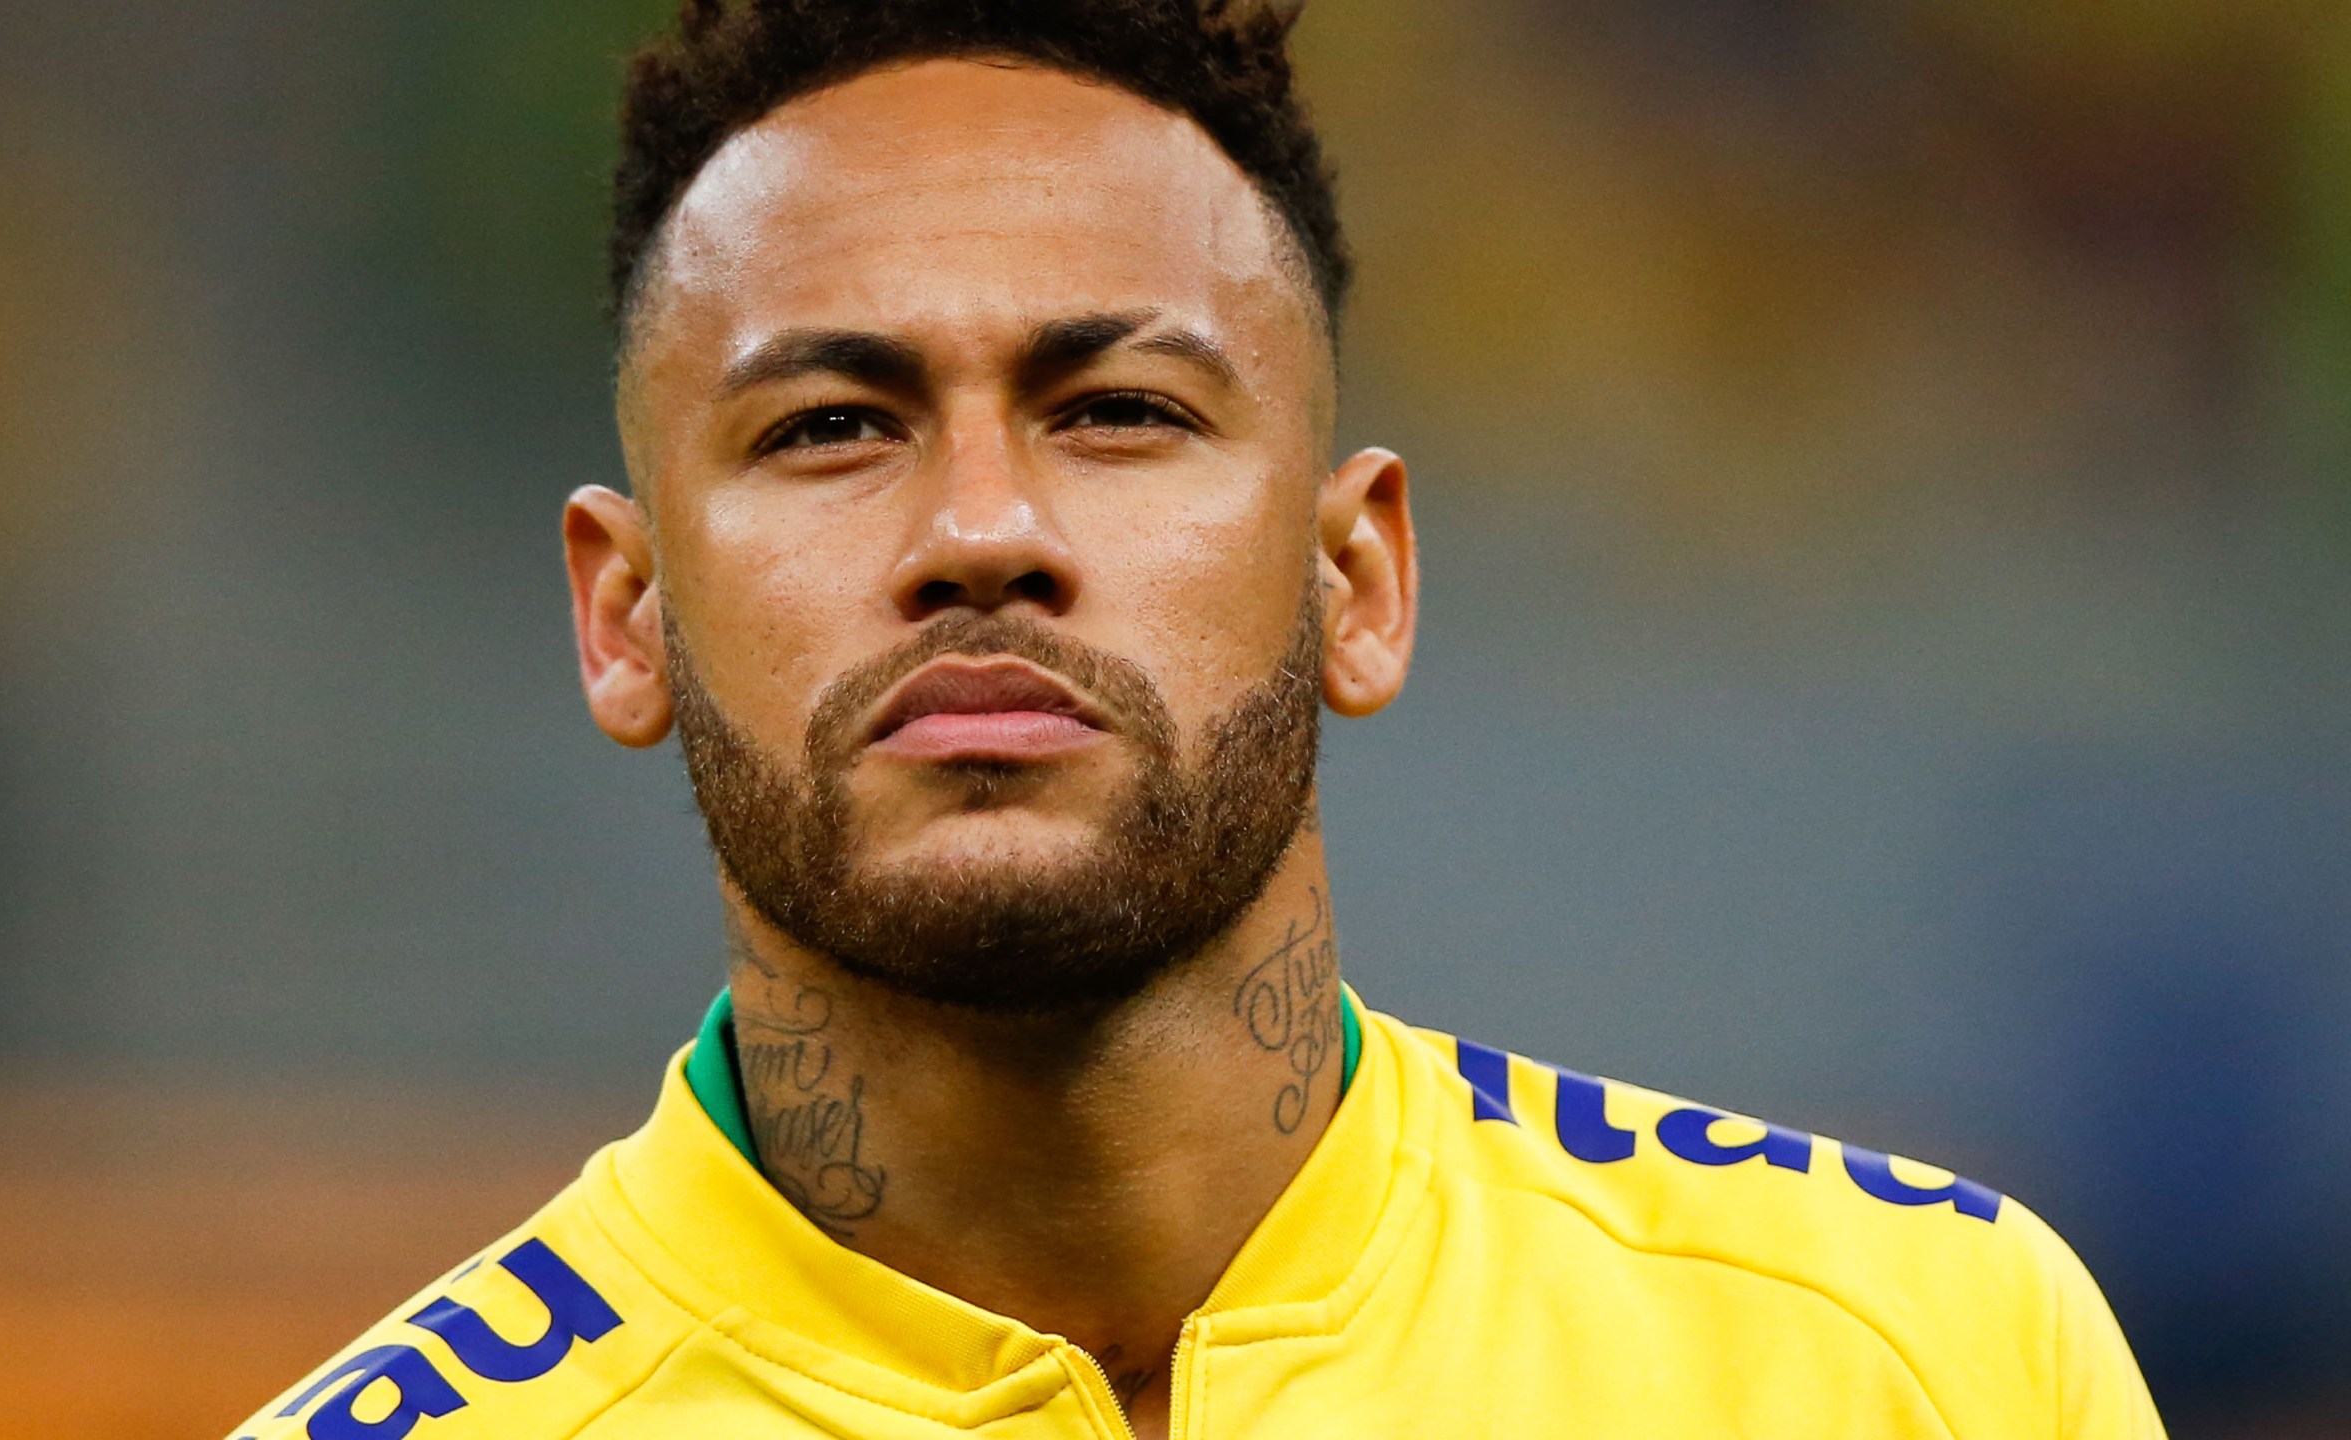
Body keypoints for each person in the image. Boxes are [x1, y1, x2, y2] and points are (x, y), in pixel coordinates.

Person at [234, 3, 2162, 1436]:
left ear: (1361, 578)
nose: (980, 532)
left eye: (1120, 412)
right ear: (624, 615)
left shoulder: (1914, 1359)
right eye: (831, 426)